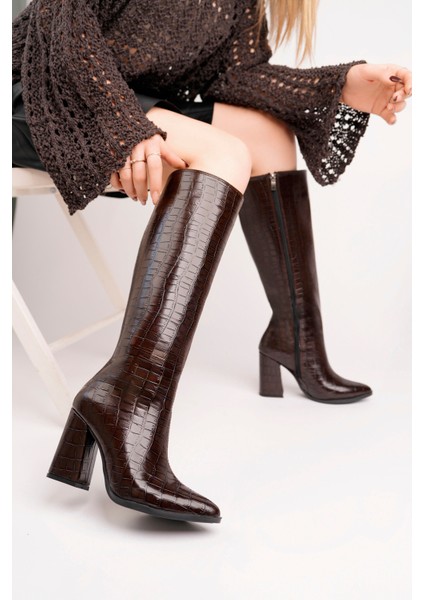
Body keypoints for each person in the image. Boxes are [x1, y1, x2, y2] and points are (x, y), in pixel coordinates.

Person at [12, 0, 411, 524]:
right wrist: (124, 124)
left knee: (266, 133)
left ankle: (295, 339)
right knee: (224, 154)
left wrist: (343, 85)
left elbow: (235, 78)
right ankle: (126, 399)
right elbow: (61, 20)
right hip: (42, 87)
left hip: (123, 101)